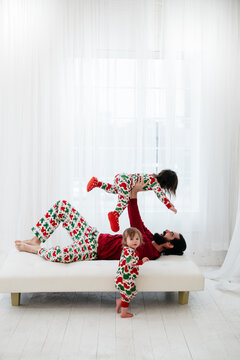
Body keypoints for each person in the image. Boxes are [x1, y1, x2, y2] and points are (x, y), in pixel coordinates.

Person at [15, 178, 186, 262]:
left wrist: (134, 194)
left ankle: (34, 250)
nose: (167, 230)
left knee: (62, 255)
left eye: (171, 234)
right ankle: (35, 240)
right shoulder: (150, 237)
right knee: (62, 206)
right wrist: (134, 193)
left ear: (170, 245)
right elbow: (139, 222)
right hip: (94, 236)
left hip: (93, 249)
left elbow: (135, 226)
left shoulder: (150, 252)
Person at [86, 170, 178, 232]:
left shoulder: (151, 177)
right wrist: (170, 206)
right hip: (126, 181)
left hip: (122, 178)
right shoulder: (155, 183)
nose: (166, 189)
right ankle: (115, 214)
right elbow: (161, 196)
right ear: (167, 183)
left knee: (114, 190)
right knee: (124, 200)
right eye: (168, 187)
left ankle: (97, 183)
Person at [115, 227, 149, 318]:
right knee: (127, 296)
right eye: (131, 239)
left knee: (131, 293)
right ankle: (123, 314)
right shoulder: (128, 251)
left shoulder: (132, 250)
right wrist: (142, 261)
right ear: (125, 241)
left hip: (129, 278)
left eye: (137, 239)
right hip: (124, 278)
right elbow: (131, 262)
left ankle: (119, 301)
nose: (135, 241)